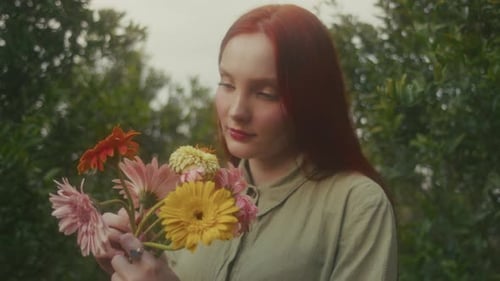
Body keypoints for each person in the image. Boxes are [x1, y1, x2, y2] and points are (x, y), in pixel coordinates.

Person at [96, 4, 398, 280]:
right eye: (227, 84)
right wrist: (129, 257)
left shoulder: (356, 204)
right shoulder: (193, 192)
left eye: (265, 93)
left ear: (311, 99)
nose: (237, 111)